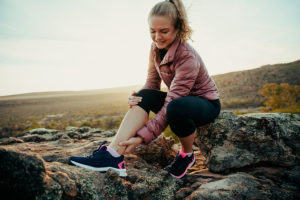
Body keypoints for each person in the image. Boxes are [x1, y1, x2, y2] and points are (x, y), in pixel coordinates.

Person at [69, 0, 221, 179]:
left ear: (178, 29)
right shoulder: (155, 48)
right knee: (143, 96)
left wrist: (142, 138)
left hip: (205, 104)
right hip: (180, 100)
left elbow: (173, 100)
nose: (157, 37)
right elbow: (151, 83)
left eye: (164, 31)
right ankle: (113, 155)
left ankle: (186, 155)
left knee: (176, 108)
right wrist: (137, 98)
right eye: (152, 31)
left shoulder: (187, 57)